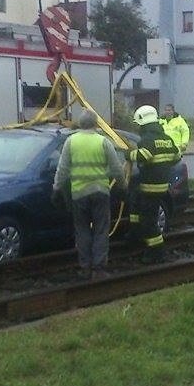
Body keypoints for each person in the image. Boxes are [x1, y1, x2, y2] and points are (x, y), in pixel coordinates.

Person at [52, 109, 125, 279]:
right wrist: (122, 187)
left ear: (80, 123)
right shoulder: (103, 142)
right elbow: (116, 168)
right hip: (100, 192)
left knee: (82, 230)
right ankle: (98, 268)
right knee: (101, 230)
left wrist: (56, 188)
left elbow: (62, 169)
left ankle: (84, 267)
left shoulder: (71, 141)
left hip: (78, 194)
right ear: (96, 124)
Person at [129, 104, 181, 264]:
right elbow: (177, 157)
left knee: (149, 221)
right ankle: (135, 236)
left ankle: (156, 252)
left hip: (150, 186)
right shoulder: (166, 138)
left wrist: (129, 154)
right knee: (136, 208)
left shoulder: (148, 139)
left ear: (143, 123)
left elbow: (144, 156)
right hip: (161, 186)